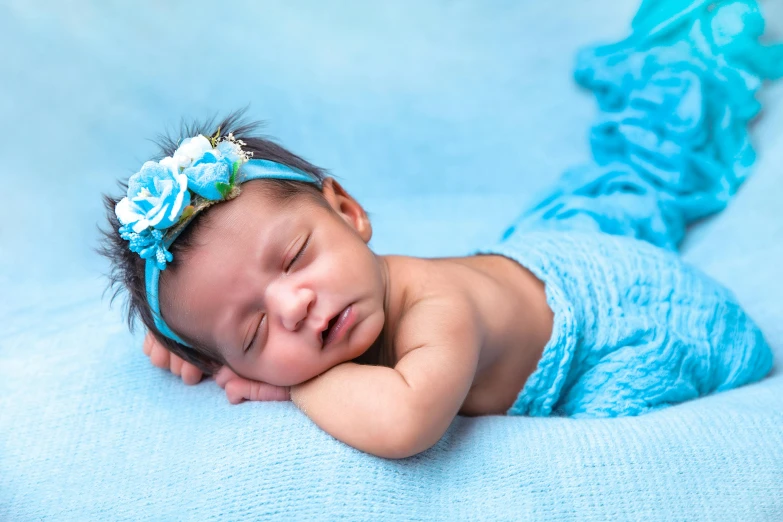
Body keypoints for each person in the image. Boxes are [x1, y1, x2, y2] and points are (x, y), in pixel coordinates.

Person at [102, 0, 781, 459]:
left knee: (610, 441)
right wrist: (196, 350)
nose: (294, 306)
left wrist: (284, 381)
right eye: (252, 330)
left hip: (630, 328)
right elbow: (203, 334)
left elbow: (403, 425)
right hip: (546, 263)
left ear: (347, 212)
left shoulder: (438, 308)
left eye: (295, 258)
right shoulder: (316, 313)